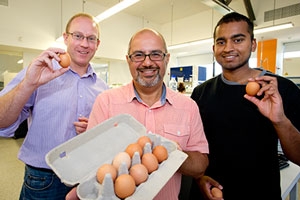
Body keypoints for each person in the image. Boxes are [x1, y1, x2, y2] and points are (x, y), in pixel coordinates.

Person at [66, 28, 209, 200]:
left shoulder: (188, 107)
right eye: (138, 55)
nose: (147, 63)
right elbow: (89, 162)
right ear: (128, 60)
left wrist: (173, 155)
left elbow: (200, 165)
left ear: (167, 58)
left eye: (155, 54)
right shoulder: (106, 102)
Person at [189, 12, 300, 200]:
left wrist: (280, 120)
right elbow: (195, 149)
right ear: (214, 47)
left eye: (238, 39)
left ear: (253, 44)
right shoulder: (200, 93)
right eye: (221, 42)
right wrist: (199, 177)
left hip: (260, 193)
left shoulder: (280, 90)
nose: (228, 48)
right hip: (209, 194)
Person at [0, 13, 109, 199]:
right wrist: (29, 84)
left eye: (91, 38)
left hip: (86, 177)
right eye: (78, 36)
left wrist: (94, 129)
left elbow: (106, 135)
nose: (84, 43)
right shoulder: (39, 72)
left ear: (97, 44)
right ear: (65, 38)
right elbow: (2, 122)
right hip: (44, 179)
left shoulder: (103, 89)